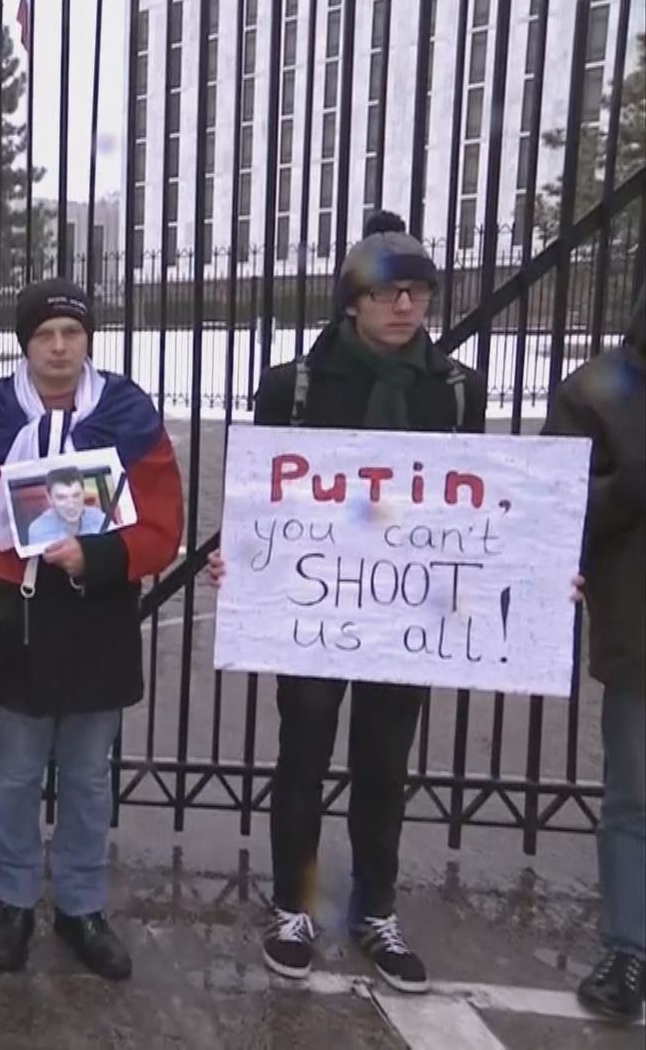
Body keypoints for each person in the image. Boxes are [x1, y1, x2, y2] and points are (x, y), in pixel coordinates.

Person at [207, 211, 485, 993]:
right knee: (303, 754)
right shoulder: (294, 387)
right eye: (390, 292)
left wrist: (523, 575)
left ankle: (374, 909)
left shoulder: (455, 391)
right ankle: (295, 905)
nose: (407, 306)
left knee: (384, 762)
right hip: (314, 607)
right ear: (353, 303)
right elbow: (261, 496)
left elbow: (487, 513)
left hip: (407, 608)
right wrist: (242, 561)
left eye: (419, 292)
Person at [0, 278, 185, 981]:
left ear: (87, 339)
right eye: (44, 335)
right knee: (14, 774)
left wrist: (95, 554)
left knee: (90, 778)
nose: (59, 348)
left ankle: (81, 907)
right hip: (20, 618)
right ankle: (13, 903)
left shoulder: (126, 411)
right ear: (26, 344)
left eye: (71, 333)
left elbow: (161, 518)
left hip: (98, 615)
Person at [543, 283, 646, 1022]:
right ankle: (628, 949)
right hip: (639, 631)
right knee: (635, 801)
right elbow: (553, 504)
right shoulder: (599, 389)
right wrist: (629, 489)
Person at [23, 466, 109, 546]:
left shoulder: (99, 518)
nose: (70, 505)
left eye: (76, 495)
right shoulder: (39, 530)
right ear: (49, 498)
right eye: (61, 498)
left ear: (83, 493)